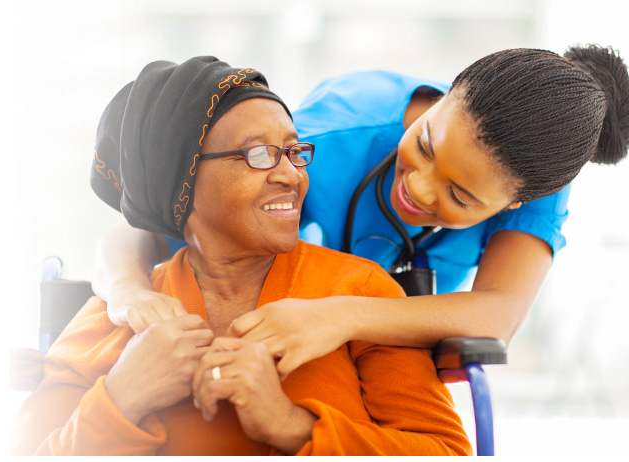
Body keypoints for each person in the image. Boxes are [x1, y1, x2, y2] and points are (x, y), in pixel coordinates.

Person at [9, 57, 472, 456]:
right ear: (182, 182)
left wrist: (290, 426)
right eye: (259, 155)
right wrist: (122, 398)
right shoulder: (118, 315)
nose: (292, 175)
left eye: (294, 151)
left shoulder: (359, 292)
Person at [91, 45, 629, 378]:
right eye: (424, 145)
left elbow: (497, 315)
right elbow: (136, 232)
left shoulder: (534, 182)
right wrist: (128, 291)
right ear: (442, 100)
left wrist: (338, 314)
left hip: (367, 370)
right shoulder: (332, 137)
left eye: (460, 197)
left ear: (514, 203)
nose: (416, 188)